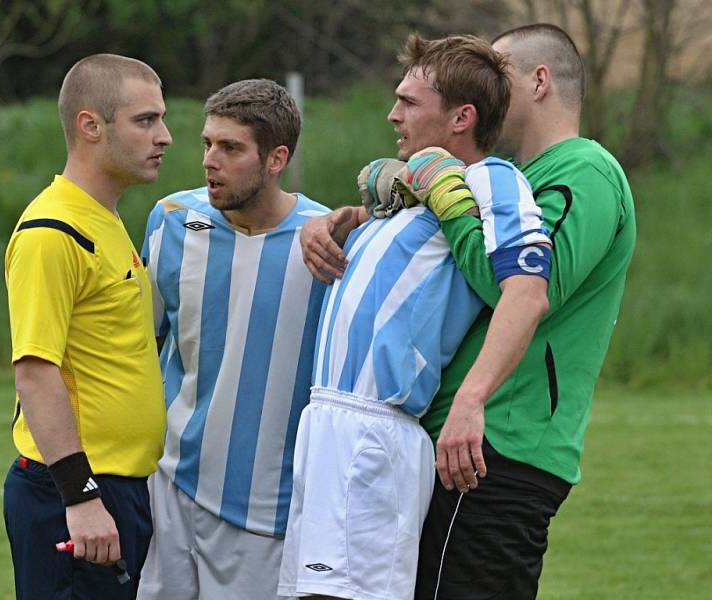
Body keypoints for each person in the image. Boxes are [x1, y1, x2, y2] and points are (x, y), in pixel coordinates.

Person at [302, 24, 637, 599]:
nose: (483, 93)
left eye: (496, 74)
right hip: (455, 443)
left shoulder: (582, 170)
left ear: (538, 82)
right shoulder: (505, 177)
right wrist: (357, 218)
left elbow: (520, 284)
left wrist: (449, 200)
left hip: (500, 446)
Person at [279, 35, 552, 600]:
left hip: (372, 433)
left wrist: (472, 400)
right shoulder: (413, 189)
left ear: (461, 118)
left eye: (409, 101)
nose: (392, 113)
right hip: (326, 425)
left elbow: (526, 293)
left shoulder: (490, 180)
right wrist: (341, 222)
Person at [136, 79, 330, 600]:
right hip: (168, 490)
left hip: (267, 507)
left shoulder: (327, 243)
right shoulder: (172, 221)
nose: (209, 161)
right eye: (207, 144)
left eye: (231, 148)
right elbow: (143, 346)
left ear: (276, 159)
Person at [3, 54, 171, 599]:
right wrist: (80, 497)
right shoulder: (54, 230)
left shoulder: (105, 219)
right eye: (145, 121)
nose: (164, 136)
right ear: (90, 126)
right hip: (74, 494)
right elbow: (34, 374)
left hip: (117, 489)